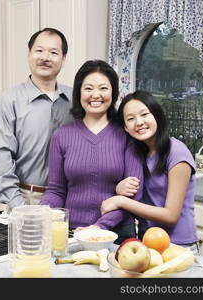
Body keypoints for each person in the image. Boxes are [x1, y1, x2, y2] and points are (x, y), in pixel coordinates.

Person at [40, 60, 144, 244]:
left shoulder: (127, 134)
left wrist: (99, 227)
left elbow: (133, 195)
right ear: (79, 92)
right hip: (72, 232)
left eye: (103, 88)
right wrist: (41, 213)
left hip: (117, 234)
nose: (96, 95)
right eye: (88, 88)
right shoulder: (62, 135)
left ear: (113, 92)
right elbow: (56, 190)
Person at [0, 28, 73, 210]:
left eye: (54, 52)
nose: (45, 57)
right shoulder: (9, 100)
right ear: (29, 54)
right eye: (39, 50)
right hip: (25, 197)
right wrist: (19, 206)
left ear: (63, 59)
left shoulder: (75, 99)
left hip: (69, 198)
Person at [100, 90, 198, 249]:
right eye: (130, 119)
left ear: (156, 115)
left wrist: (121, 201)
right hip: (147, 242)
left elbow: (171, 215)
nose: (138, 122)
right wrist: (119, 188)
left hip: (179, 245)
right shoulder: (136, 154)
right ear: (125, 127)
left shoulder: (176, 152)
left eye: (144, 114)